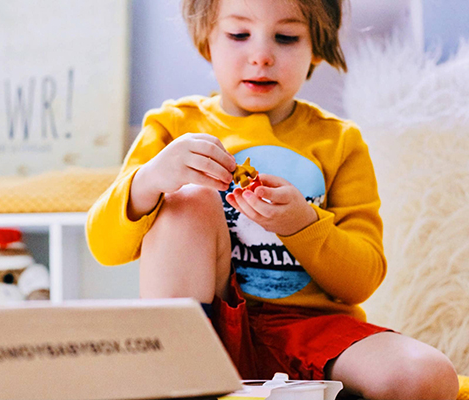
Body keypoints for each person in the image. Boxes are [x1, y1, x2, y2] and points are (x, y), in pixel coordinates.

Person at [86, 0, 460, 398]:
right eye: (238, 35)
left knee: (430, 375)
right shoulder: (173, 128)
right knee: (189, 199)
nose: (261, 56)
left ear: (316, 45)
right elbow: (104, 246)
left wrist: (302, 224)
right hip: (204, 332)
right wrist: (149, 181)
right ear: (206, 39)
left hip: (313, 330)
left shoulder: (339, 143)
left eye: (286, 37)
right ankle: (174, 373)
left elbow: (361, 281)